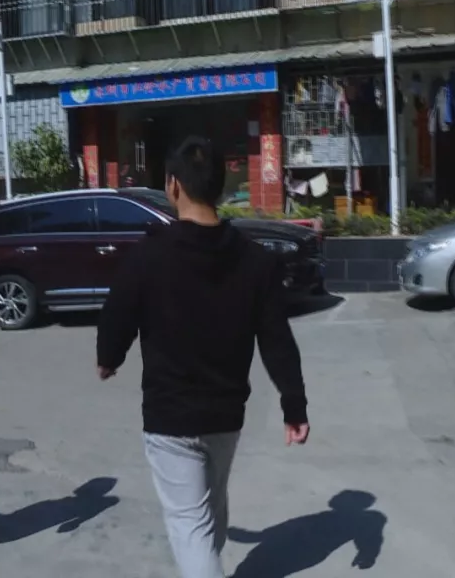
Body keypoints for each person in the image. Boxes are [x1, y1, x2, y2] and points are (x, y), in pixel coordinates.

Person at [95, 137, 310, 578]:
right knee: (210, 507)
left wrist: (109, 358)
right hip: (225, 415)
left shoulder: (148, 255)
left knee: (190, 522)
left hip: (170, 417)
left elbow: (118, 314)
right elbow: (277, 339)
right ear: (220, 186)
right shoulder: (255, 260)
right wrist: (294, 404)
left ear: (173, 185)